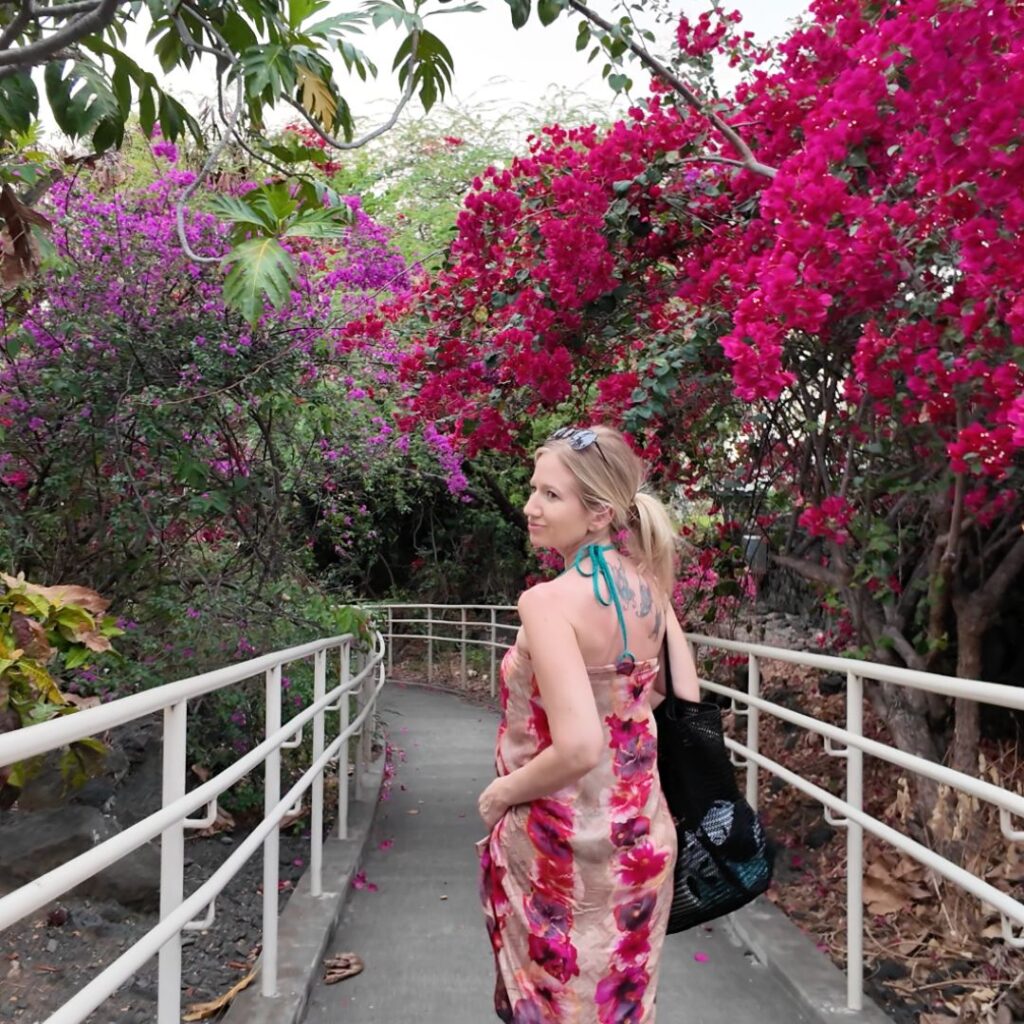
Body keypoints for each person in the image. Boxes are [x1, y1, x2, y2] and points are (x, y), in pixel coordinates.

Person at [477, 425, 701, 1024]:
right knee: (620, 1010)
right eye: (533, 490)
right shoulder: (651, 586)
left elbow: (577, 746)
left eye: (551, 496)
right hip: (641, 842)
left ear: (599, 512)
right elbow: (672, 692)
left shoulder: (547, 603)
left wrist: (501, 793)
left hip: (561, 848)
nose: (530, 507)